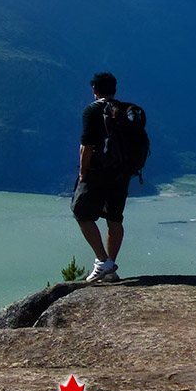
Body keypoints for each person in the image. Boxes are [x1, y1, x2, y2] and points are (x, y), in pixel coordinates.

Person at [71, 72, 129, 282]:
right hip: (122, 173)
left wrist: (83, 171)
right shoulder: (125, 111)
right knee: (114, 217)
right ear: (114, 89)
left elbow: (87, 145)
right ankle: (110, 267)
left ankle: (102, 261)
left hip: (97, 172)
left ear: (95, 90)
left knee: (81, 212)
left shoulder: (92, 110)